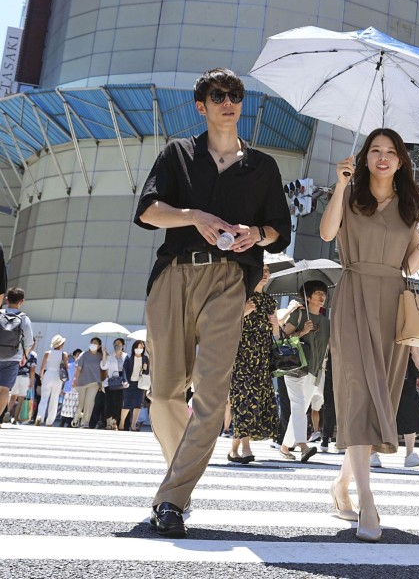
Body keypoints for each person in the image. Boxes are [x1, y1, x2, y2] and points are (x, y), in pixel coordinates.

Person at [134, 67, 290, 538]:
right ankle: (178, 477)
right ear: (201, 106)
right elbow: (146, 210)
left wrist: (254, 234)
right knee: (163, 394)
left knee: (211, 393)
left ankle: (172, 499)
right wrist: (193, 215)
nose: (229, 102)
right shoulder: (178, 154)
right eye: (218, 95)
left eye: (236, 95)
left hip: (230, 282)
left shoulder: (263, 166)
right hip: (174, 275)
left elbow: (278, 231)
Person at [320, 127, 419, 543]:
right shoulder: (350, 192)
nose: (382, 157)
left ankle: (341, 485)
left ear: (402, 160)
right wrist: (339, 186)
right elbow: (326, 233)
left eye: (391, 151)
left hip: (392, 300)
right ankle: (367, 500)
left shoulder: (412, 203)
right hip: (354, 296)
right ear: (365, 156)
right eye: (375, 150)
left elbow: (411, 265)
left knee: (380, 400)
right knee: (357, 391)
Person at [227, 264, 281, 464]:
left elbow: (274, 336)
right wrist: (242, 313)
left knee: (254, 401)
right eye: (262, 270)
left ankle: (234, 450)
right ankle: (246, 447)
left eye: (268, 271)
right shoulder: (242, 296)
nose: (266, 274)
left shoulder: (270, 301)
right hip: (241, 358)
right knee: (243, 400)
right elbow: (224, 326)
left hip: (262, 359)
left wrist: (276, 326)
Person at [279, 280, 331, 462]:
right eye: (317, 293)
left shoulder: (326, 322)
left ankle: (285, 448)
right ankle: (303, 446)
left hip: (315, 370)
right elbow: (282, 337)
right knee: (299, 406)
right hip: (294, 367)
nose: (321, 297)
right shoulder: (299, 316)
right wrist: (302, 332)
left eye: (323, 293)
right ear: (308, 297)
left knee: (300, 408)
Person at [373, 346, 419, 468]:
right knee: (409, 408)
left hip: (383, 362)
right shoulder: (408, 326)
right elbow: (414, 347)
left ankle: (372, 453)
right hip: (403, 367)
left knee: (379, 407)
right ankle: (409, 454)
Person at [0, 287, 34, 425]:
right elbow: (29, 341)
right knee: (4, 389)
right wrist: (24, 356)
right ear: (22, 301)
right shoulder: (24, 319)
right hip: (13, 358)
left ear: (7, 299)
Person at [36, 335, 68, 426]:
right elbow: (66, 367)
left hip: (48, 375)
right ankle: (49, 421)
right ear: (61, 344)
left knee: (44, 398)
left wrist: (41, 378)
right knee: (54, 399)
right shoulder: (64, 354)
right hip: (57, 377)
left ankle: (40, 417)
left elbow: (42, 367)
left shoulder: (47, 353)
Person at [72, 339, 104, 428]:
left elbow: (104, 366)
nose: (93, 344)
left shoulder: (100, 356)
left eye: (95, 343)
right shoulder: (84, 354)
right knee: (80, 403)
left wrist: (104, 354)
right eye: (92, 343)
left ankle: (85, 423)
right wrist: (75, 379)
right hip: (81, 382)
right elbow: (78, 368)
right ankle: (76, 417)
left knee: (89, 403)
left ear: (99, 346)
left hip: (94, 383)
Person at [122, 340, 149, 431]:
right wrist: (124, 380)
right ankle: (122, 423)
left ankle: (133, 424)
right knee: (127, 404)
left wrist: (145, 369)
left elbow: (146, 372)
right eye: (137, 347)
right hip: (129, 383)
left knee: (138, 405)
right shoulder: (129, 357)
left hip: (139, 384)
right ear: (133, 348)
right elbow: (124, 369)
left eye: (141, 347)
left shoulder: (145, 358)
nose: (139, 349)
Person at [101, 338, 128, 430]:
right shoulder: (110, 356)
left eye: (119, 343)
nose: (117, 344)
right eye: (116, 343)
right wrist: (104, 354)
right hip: (111, 382)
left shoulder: (126, 356)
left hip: (121, 382)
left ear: (123, 345)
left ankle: (114, 421)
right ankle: (108, 422)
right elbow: (103, 366)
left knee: (119, 403)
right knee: (109, 402)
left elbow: (127, 369)